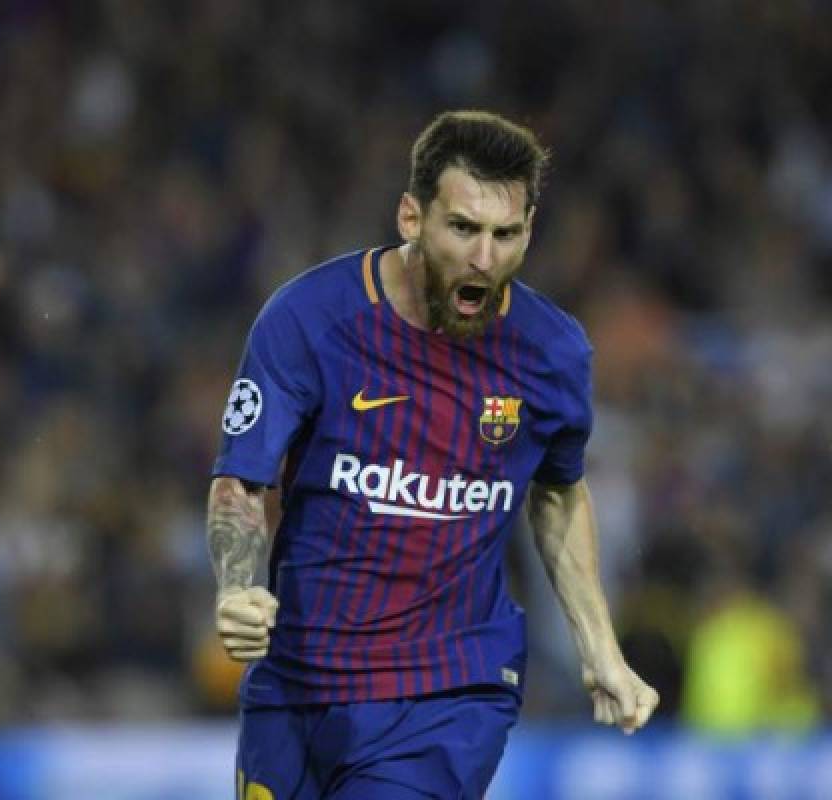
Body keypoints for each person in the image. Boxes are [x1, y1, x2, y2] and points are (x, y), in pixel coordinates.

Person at [208, 109, 659, 800]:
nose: (485, 258)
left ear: (530, 231)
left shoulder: (551, 355)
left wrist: (599, 646)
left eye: (506, 235)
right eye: (464, 229)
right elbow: (242, 481)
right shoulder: (309, 320)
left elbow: (557, 490)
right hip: (296, 683)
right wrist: (238, 584)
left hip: (447, 692)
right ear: (411, 218)